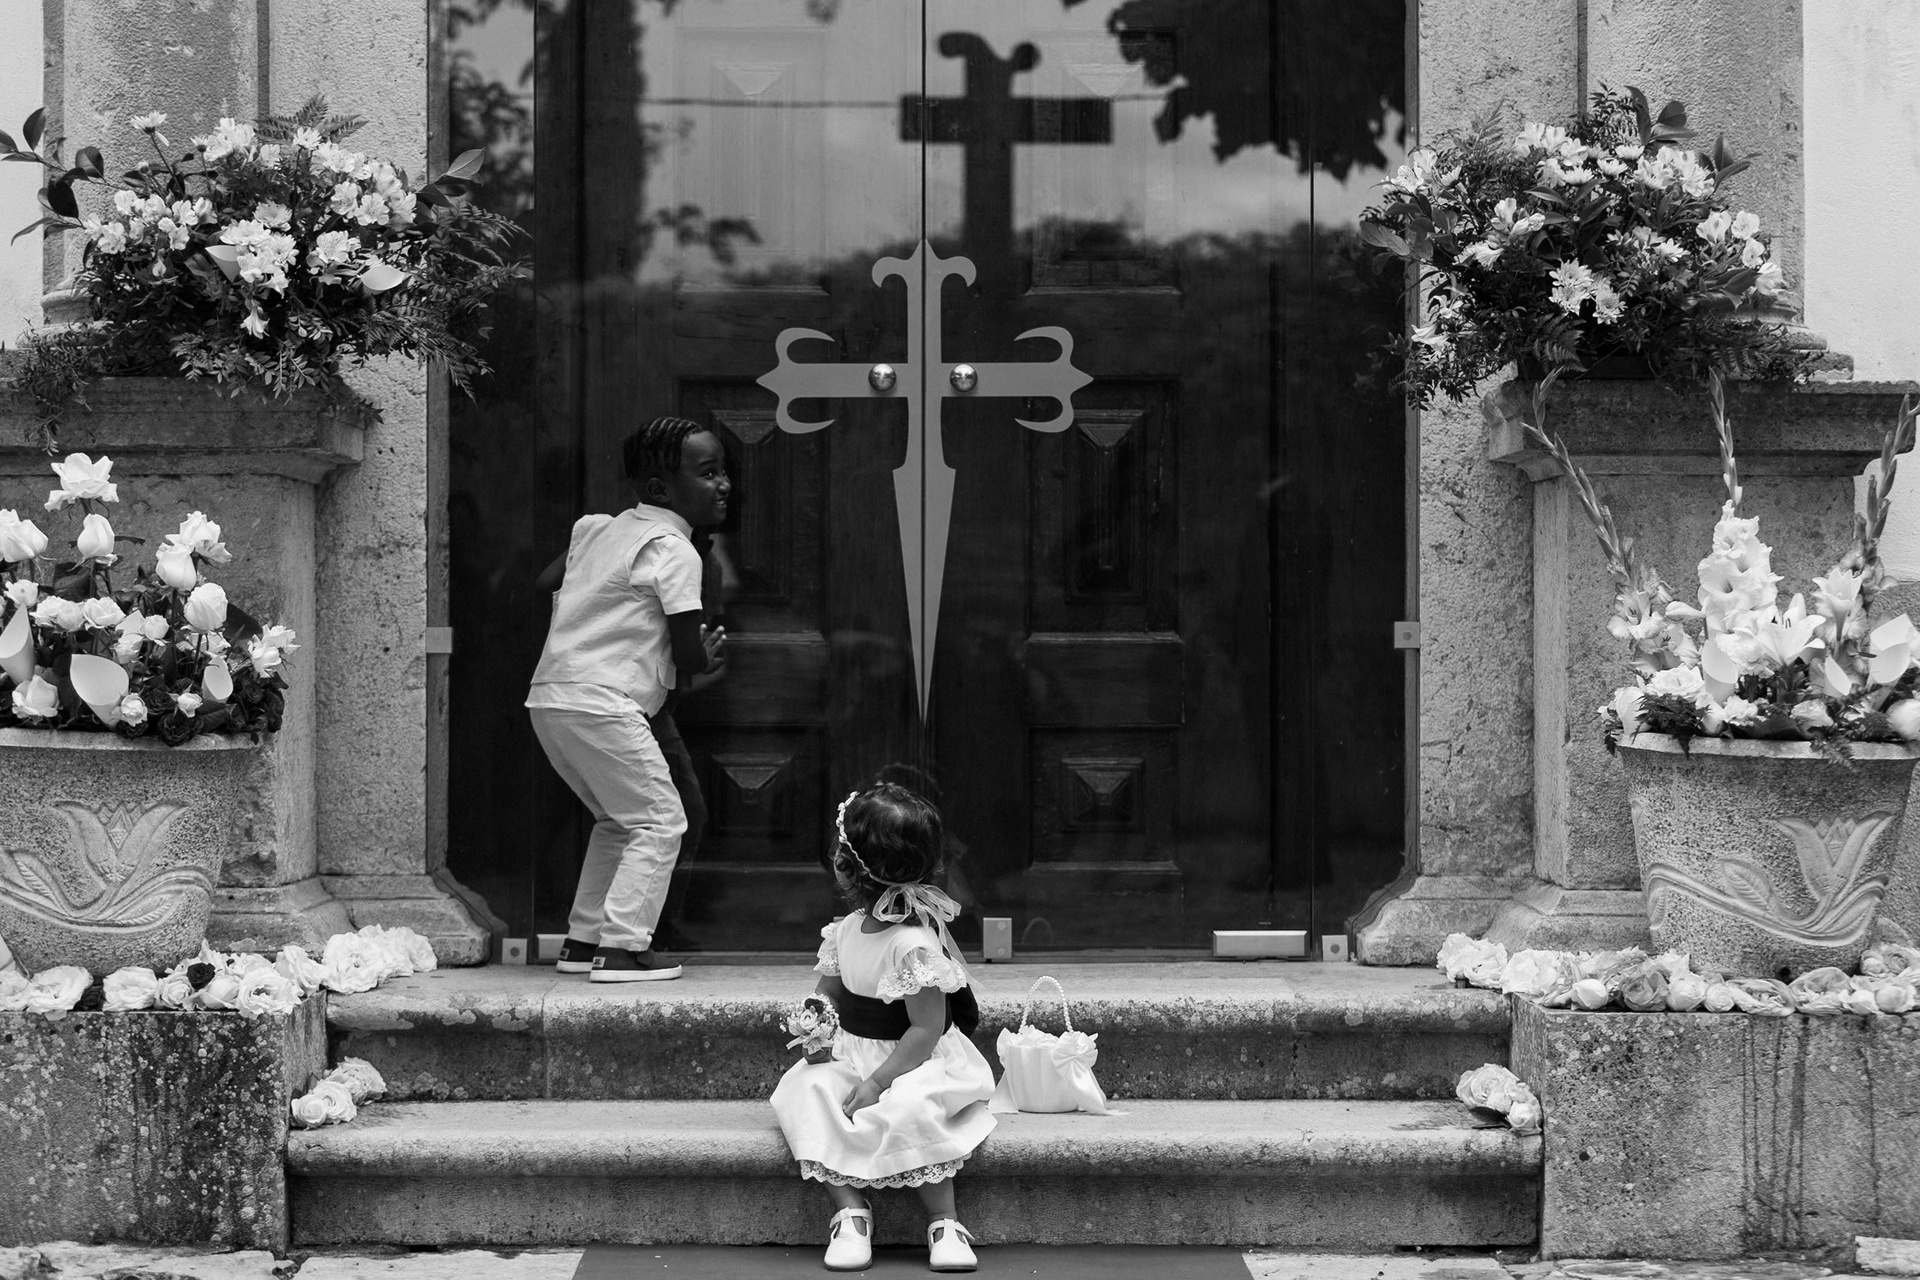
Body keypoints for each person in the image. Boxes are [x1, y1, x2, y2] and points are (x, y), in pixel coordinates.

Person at [525, 416, 728, 983]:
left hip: (552, 698)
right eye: (708, 473)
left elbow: (545, 583)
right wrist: (706, 656)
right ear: (662, 488)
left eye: (722, 471)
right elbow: (687, 654)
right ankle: (622, 950)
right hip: (606, 703)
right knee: (661, 821)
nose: (723, 484)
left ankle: (582, 943)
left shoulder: (597, 530)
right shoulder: (675, 550)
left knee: (618, 822)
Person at [769, 784, 995, 1273]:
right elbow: (827, 992)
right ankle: (850, 1210)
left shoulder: (911, 944)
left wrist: (877, 1082)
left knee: (909, 1106)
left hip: (914, 1059)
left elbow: (926, 1029)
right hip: (855, 1050)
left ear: (848, 867)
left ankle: (944, 1221)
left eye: (840, 851)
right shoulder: (846, 929)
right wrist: (815, 1025)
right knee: (806, 1090)